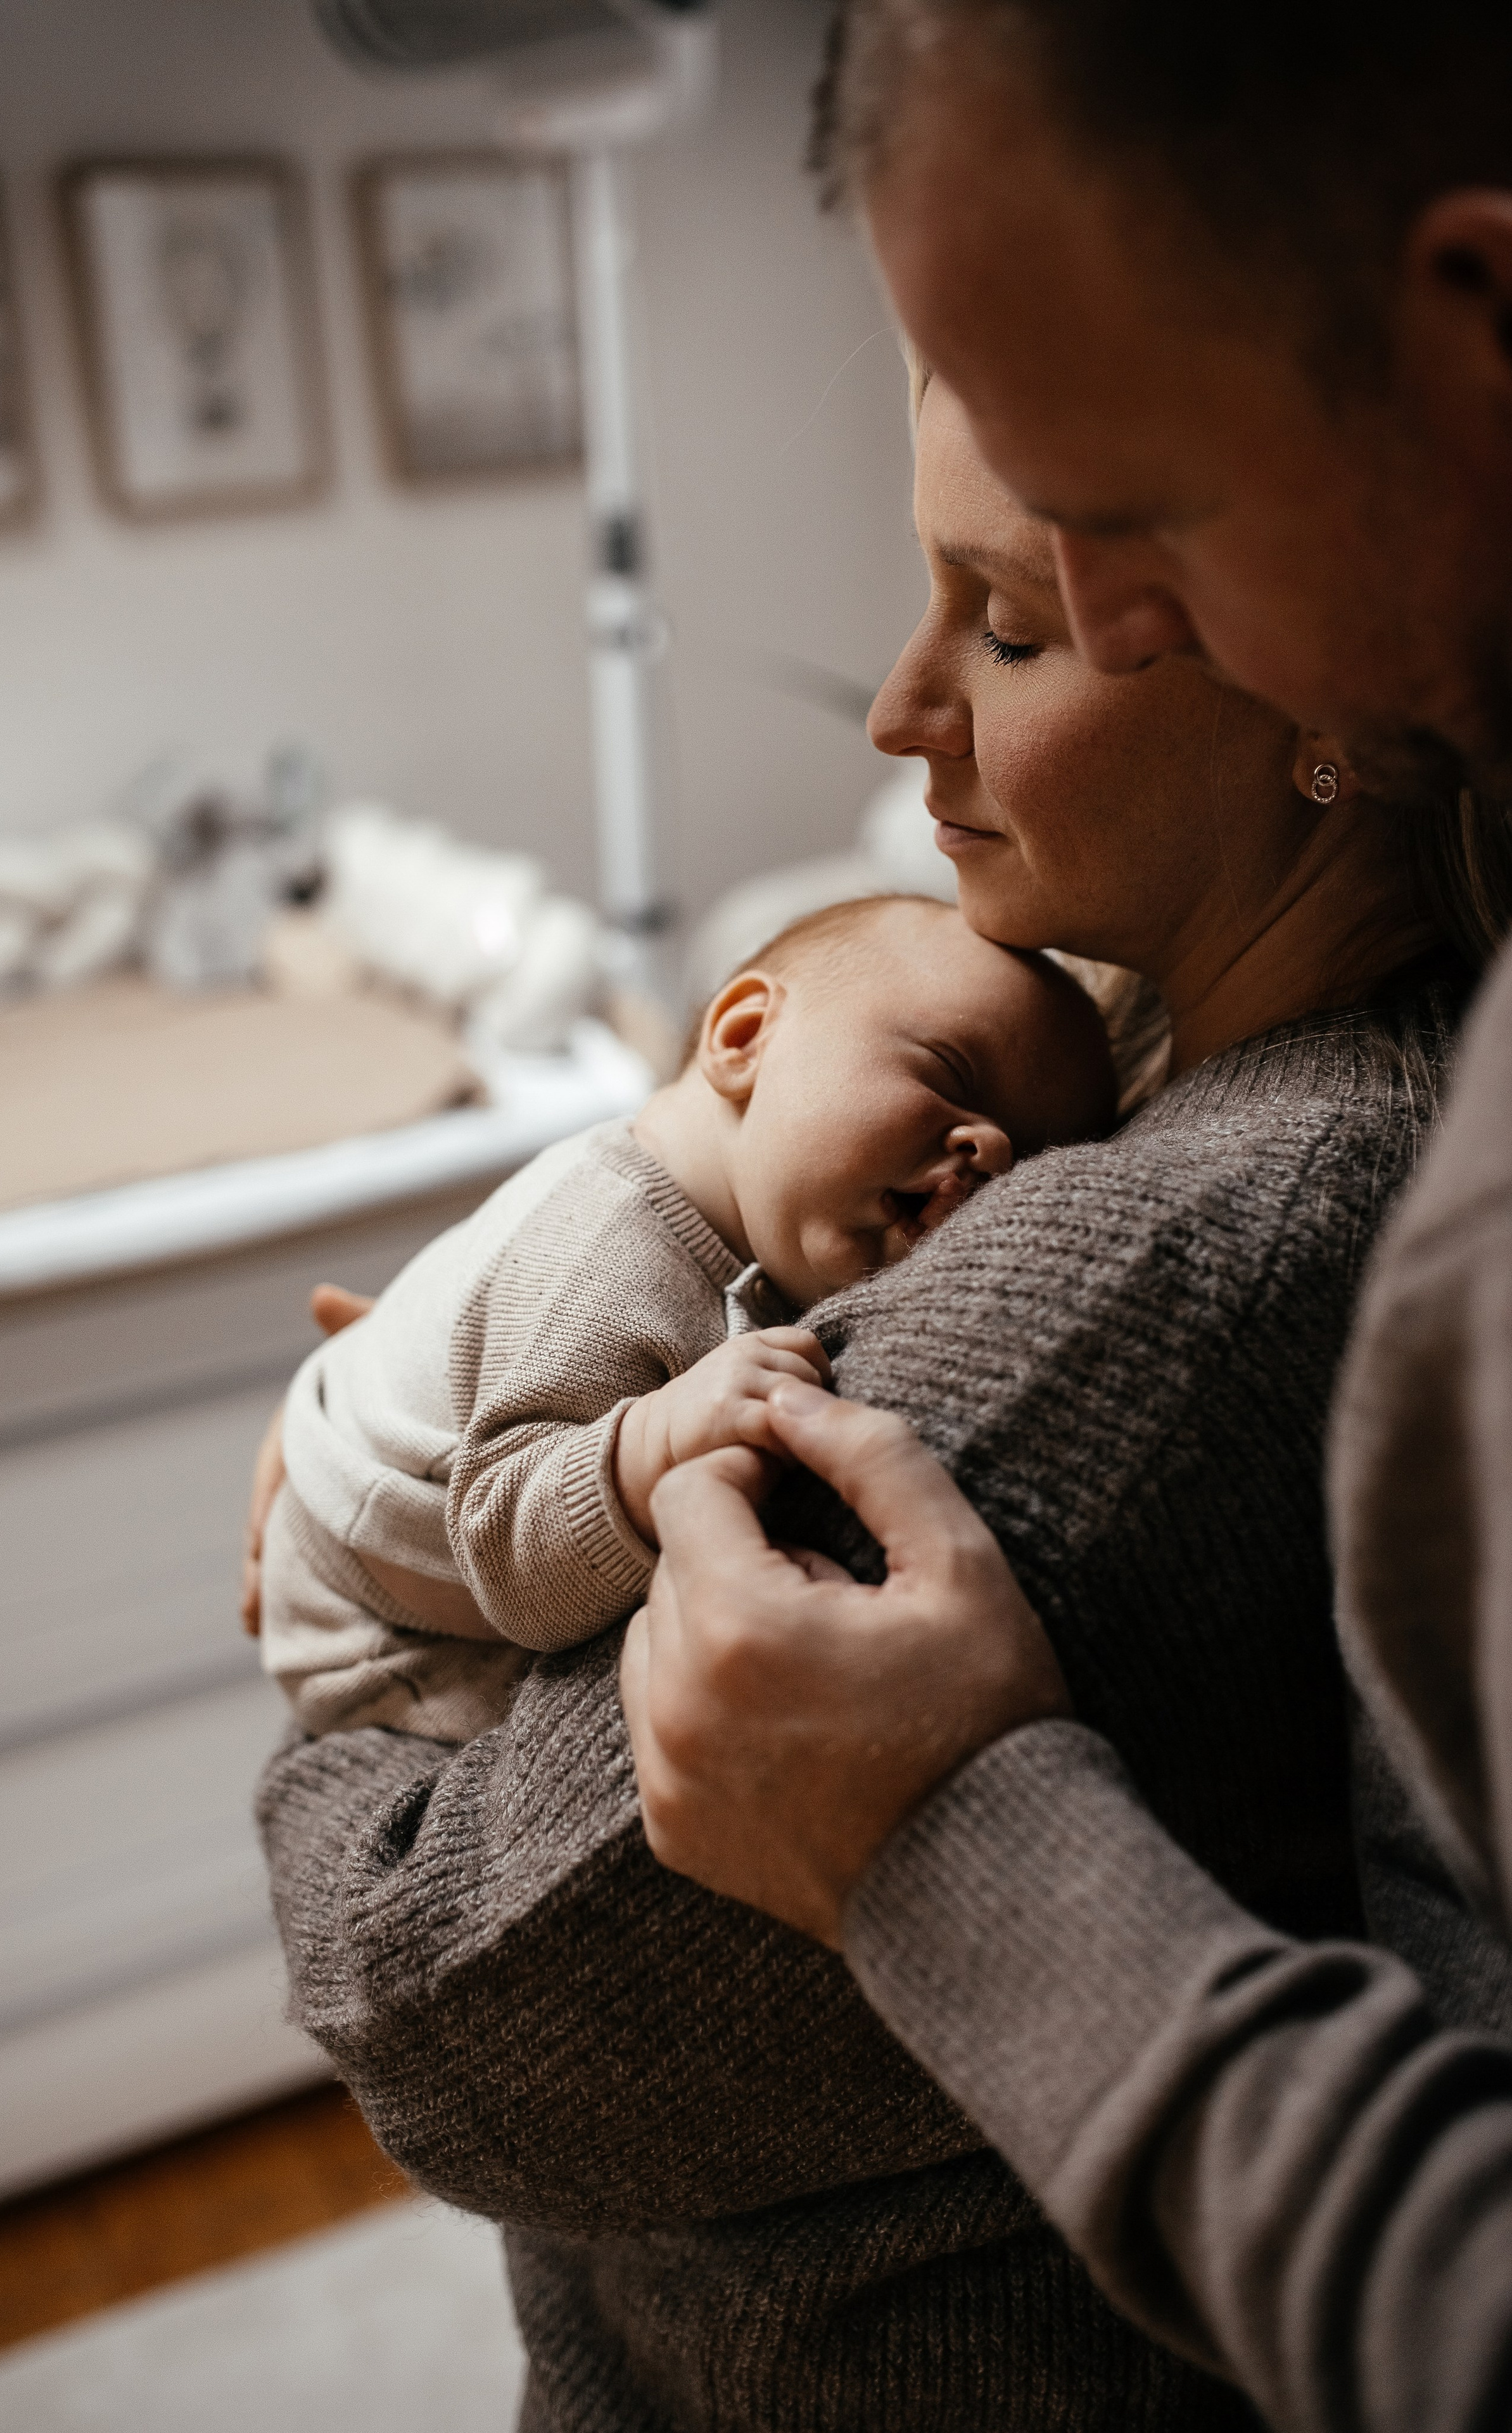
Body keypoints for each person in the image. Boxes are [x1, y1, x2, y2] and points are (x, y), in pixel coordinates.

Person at [253, 363, 1480, 2425]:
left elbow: (421, 2000)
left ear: (1335, 693)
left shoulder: (1140, 1280)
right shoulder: (1162, 1048)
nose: (901, 709)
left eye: (1004, 625)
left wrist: (339, 1589)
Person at [619, 8, 1512, 2431]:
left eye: (1117, 514)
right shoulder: (1117, 1048)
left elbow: (429, 1969)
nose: (1115, 614)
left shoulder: (1204, 1228)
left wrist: (945, 1834)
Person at [258, 896, 1112, 1744]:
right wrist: (654, 1442)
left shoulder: (757, 1226)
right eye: (952, 1076)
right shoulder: (604, 1253)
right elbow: (507, 1548)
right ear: (742, 1036)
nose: (992, 1151)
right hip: (374, 1617)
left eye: (1030, 1159)